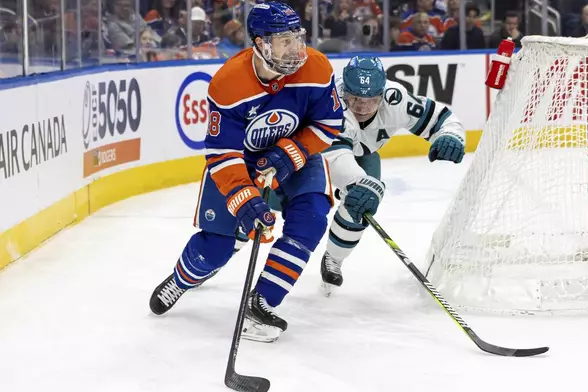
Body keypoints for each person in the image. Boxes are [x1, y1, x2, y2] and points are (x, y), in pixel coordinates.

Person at [148, 1, 344, 343]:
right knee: (217, 248)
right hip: (244, 162)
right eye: (284, 40)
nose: (295, 48)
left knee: (311, 216)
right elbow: (222, 154)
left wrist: (293, 152)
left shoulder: (315, 67)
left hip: (295, 153)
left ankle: (262, 303)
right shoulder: (228, 83)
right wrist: (246, 200)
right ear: (260, 43)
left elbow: (328, 124)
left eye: (297, 37)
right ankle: (181, 279)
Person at [319, 56, 465, 294]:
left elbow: (441, 117)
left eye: (371, 100)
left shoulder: (395, 99)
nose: (362, 107)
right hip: (319, 154)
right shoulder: (331, 103)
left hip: (364, 154)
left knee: (361, 206)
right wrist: (361, 183)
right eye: (355, 98)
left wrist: (449, 135)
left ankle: (333, 259)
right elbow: (335, 157)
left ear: (382, 94)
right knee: (282, 203)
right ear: (344, 91)